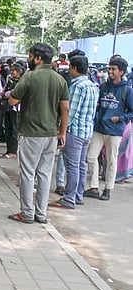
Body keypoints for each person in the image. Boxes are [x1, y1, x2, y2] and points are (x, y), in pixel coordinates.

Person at [7, 43, 69, 224]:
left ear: (38, 58)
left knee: (27, 173)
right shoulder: (60, 80)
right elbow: (65, 109)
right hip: (51, 134)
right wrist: (62, 132)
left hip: (30, 132)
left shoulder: (30, 76)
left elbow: (12, 100)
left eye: (30, 55)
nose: (28, 58)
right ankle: (41, 214)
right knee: (44, 174)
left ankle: (27, 212)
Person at [50, 55, 98, 209]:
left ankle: (69, 199)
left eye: (70, 67)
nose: (69, 70)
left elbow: (69, 112)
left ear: (75, 69)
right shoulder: (92, 85)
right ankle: (77, 195)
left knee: (72, 166)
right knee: (81, 165)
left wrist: (61, 131)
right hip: (86, 131)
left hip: (74, 132)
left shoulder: (77, 86)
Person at [83, 55, 133, 201]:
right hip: (99, 129)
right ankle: (93, 187)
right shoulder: (104, 87)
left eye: (113, 69)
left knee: (111, 161)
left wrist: (120, 119)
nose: (109, 71)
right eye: (109, 68)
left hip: (115, 131)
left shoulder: (127, 90)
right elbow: (97, 105)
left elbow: (131, 112)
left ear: (121, 72)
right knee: (91, 157)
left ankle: (108, 189)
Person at [1, 62, 25, 158]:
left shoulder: (21, 82)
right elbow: (5, 91)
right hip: (7, 107)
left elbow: (14, 93)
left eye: (14, 71)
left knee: (14, 130)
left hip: (16, 109)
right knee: (8, 129)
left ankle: (13, 151)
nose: (12, 72)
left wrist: (7, 94)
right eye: (12, 70)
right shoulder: (10, 80)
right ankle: (8, 150)